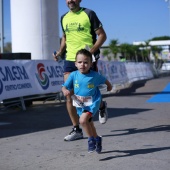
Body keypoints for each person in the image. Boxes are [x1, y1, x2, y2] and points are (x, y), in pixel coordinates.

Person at [53, 0, 108, 141]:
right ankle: (76, 129)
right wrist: (60, 52)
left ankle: (101, 105)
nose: (71, 0)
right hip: (70, 60)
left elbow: (102, 35)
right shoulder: (64, 17)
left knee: (89, 91)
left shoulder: (88, 13)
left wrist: (91, 53)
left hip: (87, 60)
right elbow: (65, 36)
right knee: (69, 94)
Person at [62, 49, 112, 153]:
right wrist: (65, 91)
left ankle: (91, 140)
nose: (82, 65)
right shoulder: (73, 75)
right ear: (75, 64)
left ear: (91, 64)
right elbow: (64, 86)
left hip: (92, 103)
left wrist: (109, 87)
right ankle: (97, 138)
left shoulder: (95, 75)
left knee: (82, 121)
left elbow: (106, 82)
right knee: (89, 124)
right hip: (80, 104)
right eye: (80, 62)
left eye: (86, 62)